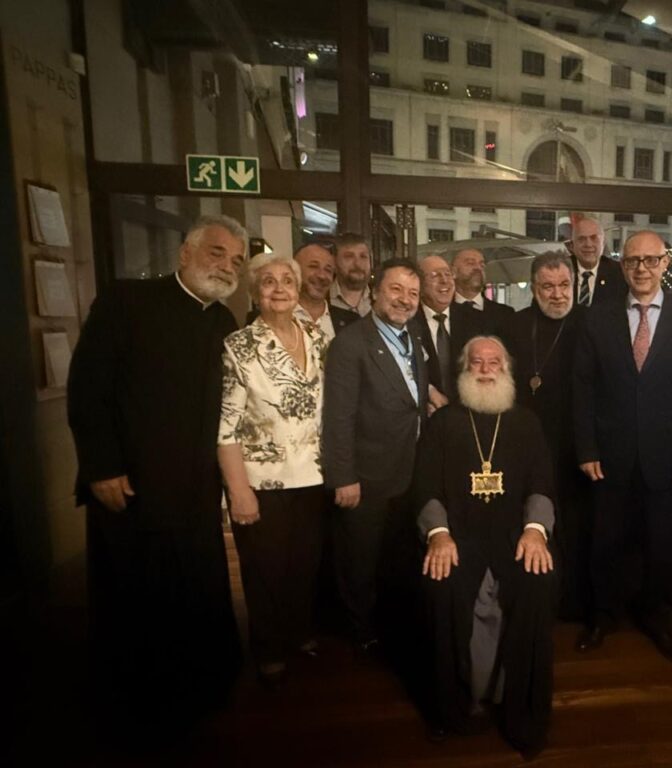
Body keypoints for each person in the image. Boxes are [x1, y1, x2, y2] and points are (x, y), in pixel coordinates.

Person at [66, 214, 246, 725]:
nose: (227, 266)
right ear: (185, 253)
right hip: (131, 486)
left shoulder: (223, 323)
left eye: (236, 261)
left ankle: (202, 689)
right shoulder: (126, 302)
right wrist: (101, 466)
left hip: (194, 490)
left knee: (197, 589)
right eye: (217, 253)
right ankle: (137, 704)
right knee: (136, 599)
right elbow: (88, 388)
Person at [573, 230, 672, 662]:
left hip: (669, 458)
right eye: (633, 260)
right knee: (605, 543)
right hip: (608, 455)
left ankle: (656, 617)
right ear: (622, 266)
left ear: (665, 263)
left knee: (662, 546)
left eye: (650, 260)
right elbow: (583, 388)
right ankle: (603, 616)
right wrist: (586, 448)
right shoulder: (596, 317)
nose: (642, 268)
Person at [418, 336, 557, 757]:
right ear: (463, 369)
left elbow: (541, 483)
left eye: (493, 362)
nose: (484, 369)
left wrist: (536, 530)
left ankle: (522, 712)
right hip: (459, 534)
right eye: (475, 362)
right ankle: (451, 707)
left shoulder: (526, 422)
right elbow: (425, 487)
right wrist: (438, 535)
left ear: (506, 369)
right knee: (442, 585)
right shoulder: (444, 423)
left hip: (514, 533)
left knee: (536, 581)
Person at [218, 253, 328, 687]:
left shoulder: (316, 336)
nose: (279, 288)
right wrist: (238, 490)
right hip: (262, 479)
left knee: (305, 563)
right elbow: (225, 428)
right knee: (265, 569)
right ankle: (267, 648)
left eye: (287, 281)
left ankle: (298, 632)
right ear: (254, 292)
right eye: (268, 282)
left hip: (314, 474)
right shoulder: (239, 346)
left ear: (298, 290)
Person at [322, 258, 429, 654]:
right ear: (375, 292)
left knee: (393, 557)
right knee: (359, 561)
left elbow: (411, 396)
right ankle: (361, 632)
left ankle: (388, 623)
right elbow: (338, 416)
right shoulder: (350, 344)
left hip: (406, 468)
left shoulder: (411, 335)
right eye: (396, 289)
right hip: (365, 475)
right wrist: (343, 477)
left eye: (413, 293)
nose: (405, 299)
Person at [507, 251, 588, 619]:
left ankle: (572, 601)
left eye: (564, 285)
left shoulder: (589, 323)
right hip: (527, 442)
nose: (557, 294)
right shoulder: (516, 325)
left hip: (577, 444)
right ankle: (535, 601)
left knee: (575, 525)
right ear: (534, 289)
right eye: (548, 287)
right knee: (532, 520)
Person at [411, 253, 485, 402]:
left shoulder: (474, 319)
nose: (444, 280)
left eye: (447, 274)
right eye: (435, 275)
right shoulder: (409, 321)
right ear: (419, 284)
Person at [244, 241, 354, 340]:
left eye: (328, 270)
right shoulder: (259, 320)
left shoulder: (352, 321)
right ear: (296, 272)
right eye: (313, 266)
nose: (322, 275)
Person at [451, 247, 514, 338]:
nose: (478, 268)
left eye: (482, 265)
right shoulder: (443, 312)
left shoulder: (505, 314)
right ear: (453, 272)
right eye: (470, 263)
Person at [568, 215, 627, 308]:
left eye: (594, 238)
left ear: (603, 243)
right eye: (581, 239)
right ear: (572, 245)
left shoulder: (620, 273)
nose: (588, 244)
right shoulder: (561, 270)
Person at [329, 232, 373, 323]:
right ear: (334, 261)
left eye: (363, 256)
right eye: (349, 257)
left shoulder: (382, 299)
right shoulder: (321, 300)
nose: (358, 264)